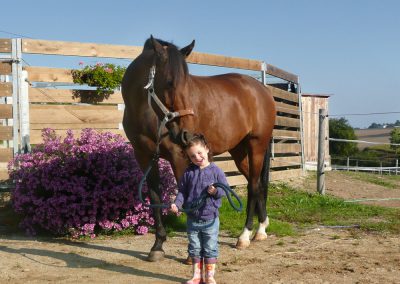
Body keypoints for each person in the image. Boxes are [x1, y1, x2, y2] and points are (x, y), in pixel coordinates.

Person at [170, 133, 228, 284]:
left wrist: (215, 192)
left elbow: (224, 190)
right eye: (192, 156)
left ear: (207, 149)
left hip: (210, 219)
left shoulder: (217, 172)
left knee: (210, 247)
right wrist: (177, 204)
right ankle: (196, 277)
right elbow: (182, 192)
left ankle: (209, 277)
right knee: (194, 247)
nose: (197, 157)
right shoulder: (188, 173)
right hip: (193, 219)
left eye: (199, 153)